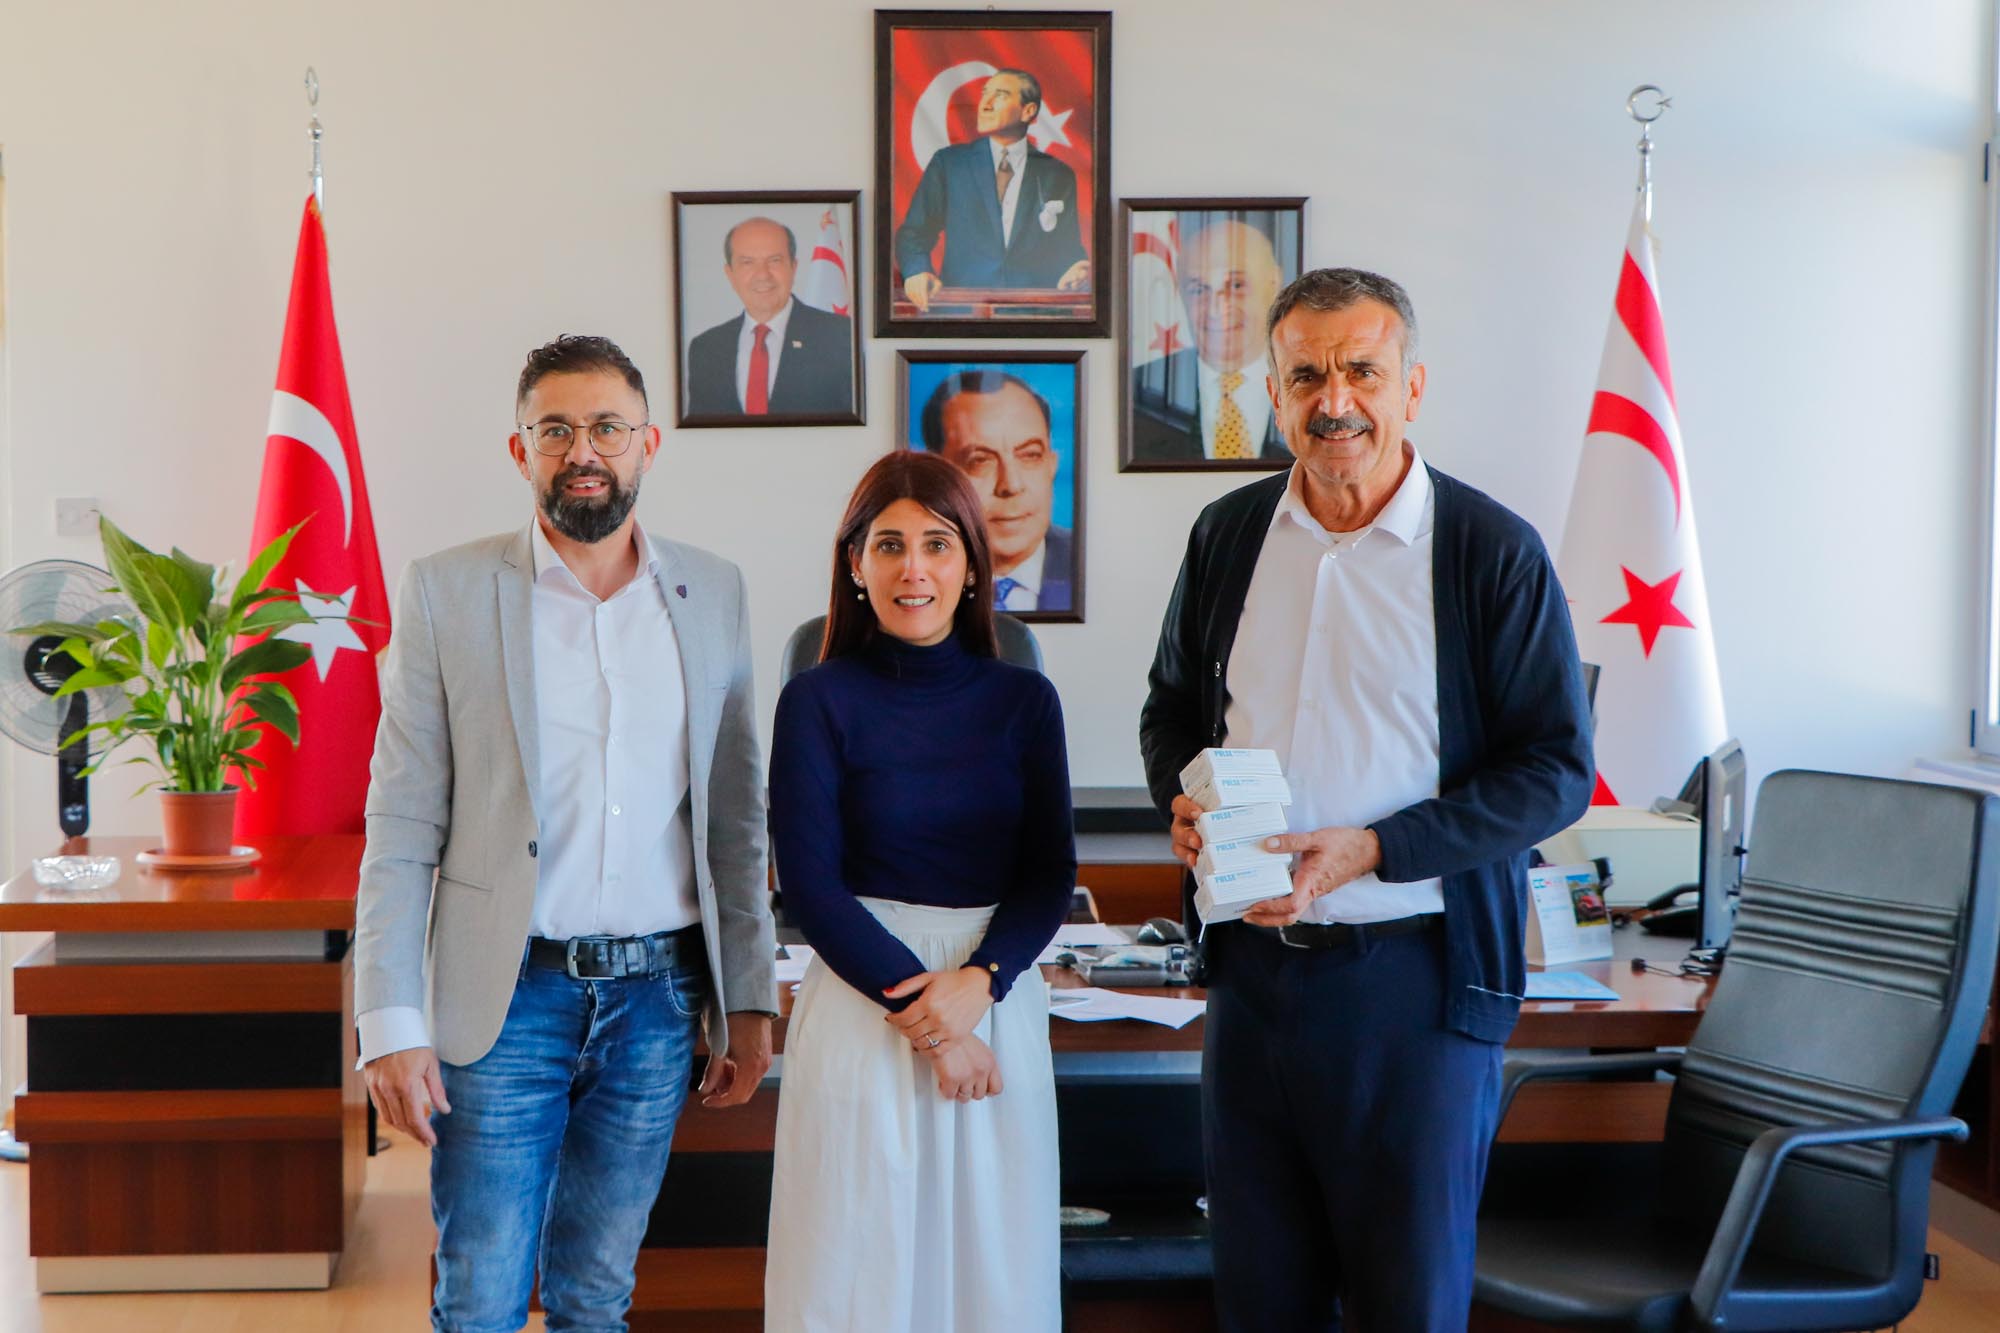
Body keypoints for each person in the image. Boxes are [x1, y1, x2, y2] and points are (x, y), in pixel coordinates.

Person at [1139, 269, 1593, 1331]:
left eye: (1361, 371)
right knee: (1260, 1300)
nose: (1333, 401)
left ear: (1411, 386)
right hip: (1251, 979)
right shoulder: (1227, 535)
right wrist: (1181, 800)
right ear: (1273, 391)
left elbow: (1554, 768)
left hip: (1414, 987)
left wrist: (1376, 847)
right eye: (1306, 376)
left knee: (1405, 1304)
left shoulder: (1490, 552)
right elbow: (1171, 708)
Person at [355, 334, 777, 1331]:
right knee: (481, 1296)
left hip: (658, 1003)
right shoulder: (447, 590)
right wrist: (390, 1021)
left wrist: (750, 998)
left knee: (597, 1293)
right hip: (505, 1001)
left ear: (647, 444)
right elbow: (402, 820)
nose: (582, 450)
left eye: (606, 427)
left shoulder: (712, 591)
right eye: (555, 430)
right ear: (520, 451)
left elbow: (734, 816)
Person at [763, 450, 1075, 1332]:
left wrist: (981, 985)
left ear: (972, 564)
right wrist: (938, 1029)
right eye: (890, 545)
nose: (914, 569)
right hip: (867, 1002)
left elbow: (1049, 873)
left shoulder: (1026, 701)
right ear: (856, 565)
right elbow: (812, 888)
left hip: (995, 1004)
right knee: (857, 1279)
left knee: (995, 1278)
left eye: (938, 544)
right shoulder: (816, 700)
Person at [893, 68, 1089, 311]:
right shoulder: (949, 164)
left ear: (1028, 111)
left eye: (1000, 95)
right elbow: (914, 234)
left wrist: (1077, 267)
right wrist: (917, 271)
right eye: (985, 94)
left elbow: (1067, 248)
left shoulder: (1058, 174)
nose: (985, 104)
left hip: (1035, 316)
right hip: (962, 314)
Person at [1131, 218, 1291, 463]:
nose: (1217, 309)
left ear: (1274, 283)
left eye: (1236, 285)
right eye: (1199, 289)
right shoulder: (1140, 396)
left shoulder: (1311, 385)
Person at [918, 369, 1074, 613]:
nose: (1011, 485)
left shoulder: (1095, 566)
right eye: (980, 461)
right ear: (935, 477)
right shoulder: (912, 576)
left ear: (1051, 466)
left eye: (1030, 455)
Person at [685, 216, 855, 417]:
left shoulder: (841, 337)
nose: (762, 275)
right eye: (747, 262)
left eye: (774, 261)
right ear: (730, 274)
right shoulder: (705, 349)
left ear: (793, 267)